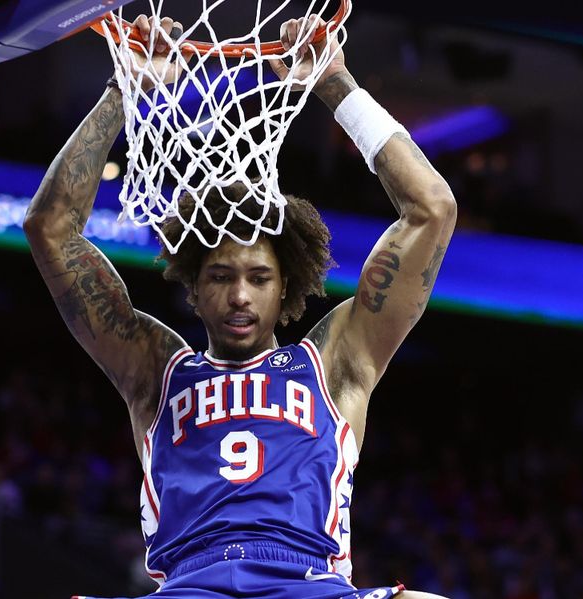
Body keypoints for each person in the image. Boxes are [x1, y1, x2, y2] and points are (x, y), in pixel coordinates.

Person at [24, 13, 456, 599]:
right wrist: (125, 89)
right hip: (191, 582)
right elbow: (50, 229)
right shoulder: (156, 370)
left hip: (307, 579)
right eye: (221, 277)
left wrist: (334, 84)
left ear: (287, 288)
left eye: (259, 277)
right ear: (194, 289)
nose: (239, 295)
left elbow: (431, 209)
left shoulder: (333, 362)